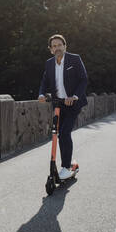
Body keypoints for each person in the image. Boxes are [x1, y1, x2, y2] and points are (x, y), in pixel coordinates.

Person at [38, 34, 88, 180]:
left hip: (72, 103)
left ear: (65, 46)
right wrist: (41, 94)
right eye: (54, 46)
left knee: (65, 133)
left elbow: (83, 79)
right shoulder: (49, 63)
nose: (57, 48)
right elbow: (44, 81)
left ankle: (66, 167)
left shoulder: (75, 59)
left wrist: (74, 96)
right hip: (58, 104)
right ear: (50, 49)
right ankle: (68, 164)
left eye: (59, 45)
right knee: (59, 135)